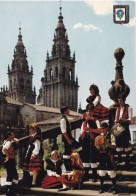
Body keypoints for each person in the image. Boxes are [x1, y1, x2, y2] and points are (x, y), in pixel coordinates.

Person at [92, 122, 117, 194]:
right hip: (101, 155)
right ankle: (101, 188)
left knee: (111, 171)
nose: (102, 130)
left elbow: (114, 146)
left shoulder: (111, 135)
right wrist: (98, 145)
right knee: (101, 171)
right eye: (101, 128)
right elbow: (97, 146)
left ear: (107, 128)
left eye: (103, 128)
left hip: (109, 154)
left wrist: (106, 142)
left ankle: (114, 188)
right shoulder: (99, 137)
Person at [79, 104, 100, 182]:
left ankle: (94, 176)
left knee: (93, 157)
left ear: (93, 112)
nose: (88, 112)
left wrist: (90, 129)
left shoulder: (96, 120)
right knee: (85, 157)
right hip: (85, 140)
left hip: (93, 140)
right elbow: (81, 134)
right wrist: (84, 131)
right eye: (87, 111)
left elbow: (99, 131)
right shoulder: (83, 122)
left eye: (90, 111)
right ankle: (86, 175)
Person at [60, 106, 82, 171]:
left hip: (69, 137)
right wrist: (68, 140)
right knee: (67, 152)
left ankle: (71, 165)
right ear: (65, 111)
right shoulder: (63, 120)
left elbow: (72, 119)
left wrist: (79, 118)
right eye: (68, 110)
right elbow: (63, 131)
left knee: (71, 150)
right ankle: (67, 167)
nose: (69, 111)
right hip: (67, 138)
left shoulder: (66, 118)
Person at [114, 96, 132, 168]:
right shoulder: (117, 109)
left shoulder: (129, 108)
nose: (119, 102)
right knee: (118, 143)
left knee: (126, 144)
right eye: (118, 101)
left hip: (125, 127)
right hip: (118, 127)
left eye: (121, 100)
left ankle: (127, 163)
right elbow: (116, 118)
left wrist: (122, 120)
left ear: (124, 101)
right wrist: (116, 122)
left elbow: (130, 119)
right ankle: (119, 160)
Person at [2, 131, 19, 196]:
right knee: (12, 175)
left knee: (12, 174)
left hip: (9, 160)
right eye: (12, 135)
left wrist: (15, 139)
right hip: (10, 160)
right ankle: (10, 190)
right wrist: (8, 156)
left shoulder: (6, 141)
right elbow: (4, 149)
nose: (14, 136)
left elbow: (13, 139)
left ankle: (11, 189)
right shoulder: (8, 142)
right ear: (9, 136)